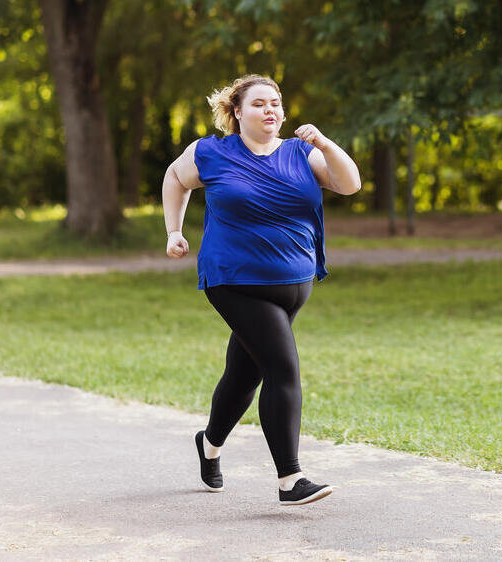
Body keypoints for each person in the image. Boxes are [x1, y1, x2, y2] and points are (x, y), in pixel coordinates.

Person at [161, 74, 361, 506]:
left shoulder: (301, 153)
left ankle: (210, 444)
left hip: (295, 281)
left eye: (276, 103)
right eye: (259, 104)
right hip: (233, 279)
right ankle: (291, 478)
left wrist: (325, 144)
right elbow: (174, 179)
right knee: (282, 369)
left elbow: (350, 184)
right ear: (236, 112)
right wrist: (173, 230)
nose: (270, 110)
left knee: (244, 373)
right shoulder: (210, 153)